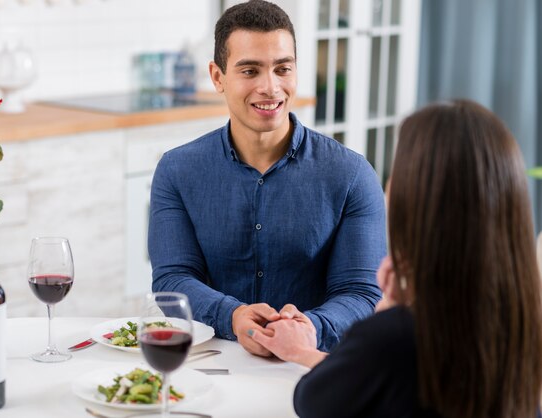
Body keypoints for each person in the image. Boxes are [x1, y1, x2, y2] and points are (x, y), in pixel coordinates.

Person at [250, 99, 542, 417]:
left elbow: (312, 400)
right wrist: (305, 351)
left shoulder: (396, 336)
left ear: (415, 201)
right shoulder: (520, 323)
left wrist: (387, 309)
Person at [147, 0, 386, 356]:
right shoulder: (177, 170)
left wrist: (308, 329)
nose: (271, 87)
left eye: (282, 69)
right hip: (212, 360)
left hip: (311, 366)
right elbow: (173, 279)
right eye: (249, 71)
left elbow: (361, 292)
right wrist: (233, 316)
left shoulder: (352, 175)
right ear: (217, 77)